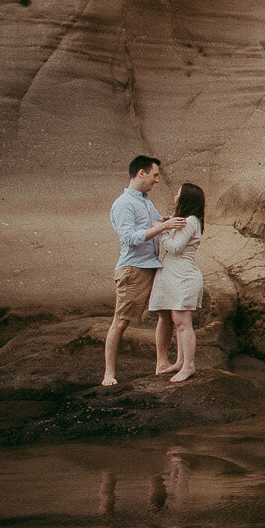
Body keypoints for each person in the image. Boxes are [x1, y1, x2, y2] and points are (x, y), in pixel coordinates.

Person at [104, 156, 184, 387]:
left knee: (166, 313)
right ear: (141, 173)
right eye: (154, 175)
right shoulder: (123, 204)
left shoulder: (146, 201)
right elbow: (130, 239)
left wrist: (167, 221)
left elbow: (155, 224)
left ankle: (161, 363)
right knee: (121, 321)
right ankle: (109, 373)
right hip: (133, 269)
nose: (157, 180)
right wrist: (163, 226)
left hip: (152, 266)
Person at [147, 185, 206, 383]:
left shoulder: (190, 221)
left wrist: (162, 230)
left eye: (178, 194)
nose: (174, 197)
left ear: (185, 199)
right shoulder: (185, 220)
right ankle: (180, 362)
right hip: (176, 275)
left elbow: (175, 248)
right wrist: (168, 223)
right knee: (177, 320)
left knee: (182, 323)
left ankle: (189, 365)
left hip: (184, 276)